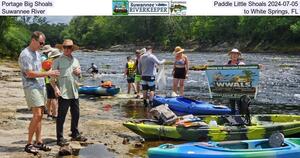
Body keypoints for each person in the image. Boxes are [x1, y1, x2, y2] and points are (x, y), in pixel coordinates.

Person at [18, 31, 60, 154]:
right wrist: (48, 73)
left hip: (40, 86)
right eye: (41, 43)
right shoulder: (25, 54)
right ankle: (29, 144)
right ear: (33, 40)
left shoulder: (36, 53)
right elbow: (29, 73)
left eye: (43, 43)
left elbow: (39, 70)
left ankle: (39, 141)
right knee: (37, 115)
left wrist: (47, 68)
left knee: (40, 115)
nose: (42, 45)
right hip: (31, 87)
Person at [51, 39, 87, 147]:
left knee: (76, 114)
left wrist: (79, 73)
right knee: (61, 116)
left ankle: (75, 133)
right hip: (63, 92)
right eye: (65, 47)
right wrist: (56, 89)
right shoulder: (57, 61)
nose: (66, 49)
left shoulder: (76, 60)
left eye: (69, 47)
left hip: (74, 91)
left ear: (72, 49)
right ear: (62, 48)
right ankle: (59, 138)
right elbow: (52, 79)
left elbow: (80, 76)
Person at [226, 48, 245, 114]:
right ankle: (233, 117)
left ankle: (241, 118)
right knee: (232, 104)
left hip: (239, 87)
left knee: (239, 104)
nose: (234, 55)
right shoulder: (227, 64)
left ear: (238, 55)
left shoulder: (241, 64)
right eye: (233, 54)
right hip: (230, 87)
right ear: (230, 55)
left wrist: (257, 66)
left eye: (236, 54)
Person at [44, 48, 61, 120]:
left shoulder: (46, 62)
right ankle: (55, 115)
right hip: (53, 82)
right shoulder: (54, 62)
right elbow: (52, 73)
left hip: (47, 81)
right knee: (54, 99)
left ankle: (49, 114)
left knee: (49, 98)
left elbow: (44, 72)